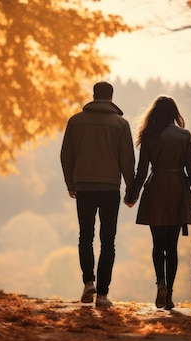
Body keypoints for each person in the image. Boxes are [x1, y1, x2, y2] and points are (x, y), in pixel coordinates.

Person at [61, 81, 135, 307]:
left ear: (93, 96)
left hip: (84, 186)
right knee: (108, 241)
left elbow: (66, 155)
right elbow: (127, 161)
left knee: (85, 236)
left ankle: (88, 282)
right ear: (111, 98)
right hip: (110, 188)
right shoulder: (121, 124)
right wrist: (131, 190)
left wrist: (71, 183)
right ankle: (103, 294)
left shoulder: (75, 122)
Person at [124, 96, 191, 310]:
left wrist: (132, 195)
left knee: (158, 245)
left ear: (155, 113)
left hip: (156, 188)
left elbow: (141, 170)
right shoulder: (184, 135)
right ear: (174, 112)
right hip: (178, 190)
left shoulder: (149, 135)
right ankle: (169, 297)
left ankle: (160, 283)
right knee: (172, 247)